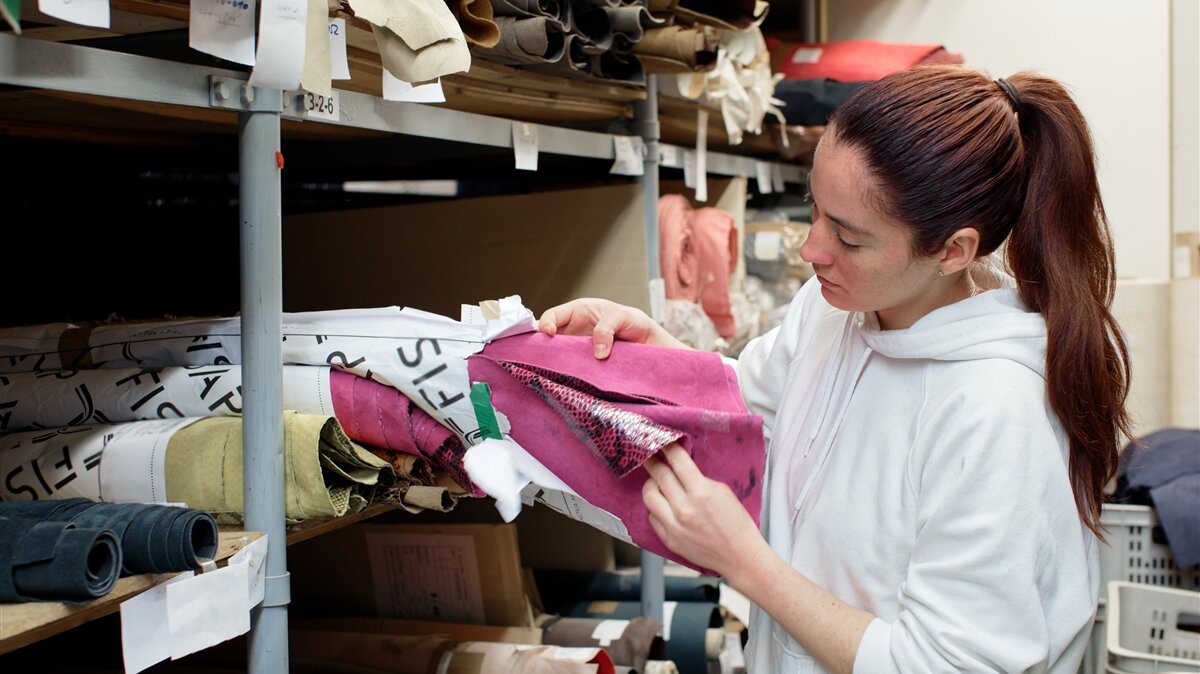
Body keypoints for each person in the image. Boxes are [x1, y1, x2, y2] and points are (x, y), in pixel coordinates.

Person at [537, 64, 1133, 673]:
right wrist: (657, 354)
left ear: (954, 251)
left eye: (848, 239)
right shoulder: (837, 311)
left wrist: (748, 565)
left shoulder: (996, 413)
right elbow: (748, 416)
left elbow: (944, 665)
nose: (811, 249)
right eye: (813, 210)